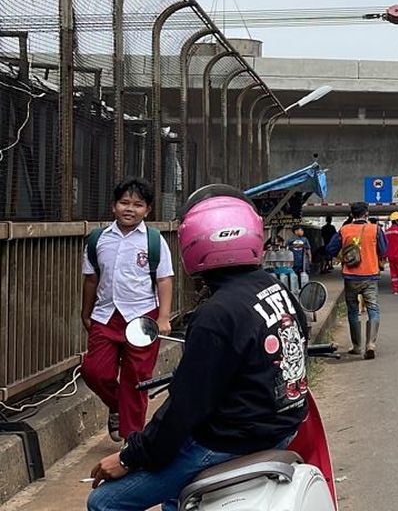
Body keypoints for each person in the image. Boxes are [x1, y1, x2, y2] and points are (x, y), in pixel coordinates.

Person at [87, 185, 309, 511]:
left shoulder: (216, 315)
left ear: (194, 244)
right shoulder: (277, 290)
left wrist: (129, 455)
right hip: (279, 430)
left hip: (227, 443)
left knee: (104, 502)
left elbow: (185, 410)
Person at [81, 178, 174, 443]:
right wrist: (85, 312)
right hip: (105, 316)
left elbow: (164, 279)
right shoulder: (98, 240)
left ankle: (131, 442)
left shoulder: (154, 241)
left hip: (144, 317)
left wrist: (164, 317)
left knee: (137, 379)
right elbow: (90, 279)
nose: (129, 209)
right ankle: (117, 407)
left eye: (137, 204)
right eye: (124, 202)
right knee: (94, 371)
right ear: (113, 206)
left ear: (148, 210)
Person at [325, 202, 386, 359]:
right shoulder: (375, 229)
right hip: (371, 275)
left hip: (351, 277)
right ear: (366, 214)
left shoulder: (344, 230)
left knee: (353, 311)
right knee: (373, 309)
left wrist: (344, 256)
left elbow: (330, 250)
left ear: (352, 215)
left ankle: (357, 346)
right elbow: (384, 250)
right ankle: (370, 345)